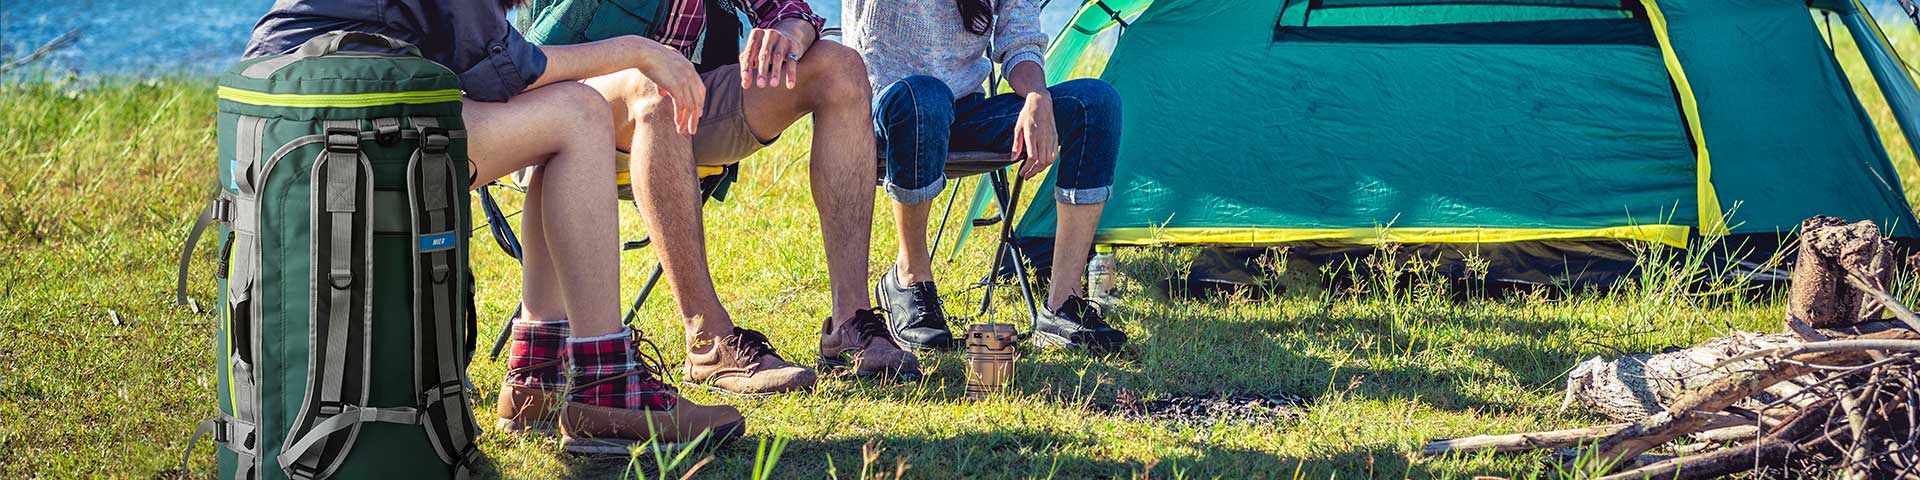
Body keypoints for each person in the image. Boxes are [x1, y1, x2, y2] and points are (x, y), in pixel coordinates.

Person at [245, 0, 743, 455]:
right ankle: (604, 384)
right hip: (341, 114)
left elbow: (484, 61)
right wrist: (639, 51)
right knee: (579, 113)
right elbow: (508, 68)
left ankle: (539, 375)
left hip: (281, 120)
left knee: (567, 111)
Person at [517, 0, 921, 396]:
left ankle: (851, 322)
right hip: (568, 109)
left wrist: (786, 37)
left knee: (840, 68)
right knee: (659, 87)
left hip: (684, 101)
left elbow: (790, 10)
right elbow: (525, 60)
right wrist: (645, 59)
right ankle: (707, 341)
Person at [844, 0, 1129, 352]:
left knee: (1095, 103)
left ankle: (1062, 304)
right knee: (924, 97)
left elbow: (1020, 40)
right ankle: (909, 276)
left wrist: (1037, 97)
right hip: (885, 108)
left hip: (964, 112)